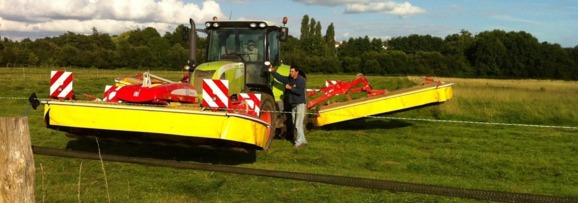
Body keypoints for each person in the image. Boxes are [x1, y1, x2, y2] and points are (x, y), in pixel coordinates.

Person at [269, 65, 308, 148]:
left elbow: (300, 92)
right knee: (296, 124)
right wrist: (273, 71)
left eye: (292, 71)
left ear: (297, 72)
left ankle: (298, 143)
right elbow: (280, 78)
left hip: (300, 104)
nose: (290, 73)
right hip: (293, 104)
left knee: (297, 124)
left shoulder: (301, 81)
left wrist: (290, 88)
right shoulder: (289, 79)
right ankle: (303, 140)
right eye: (290, 71)